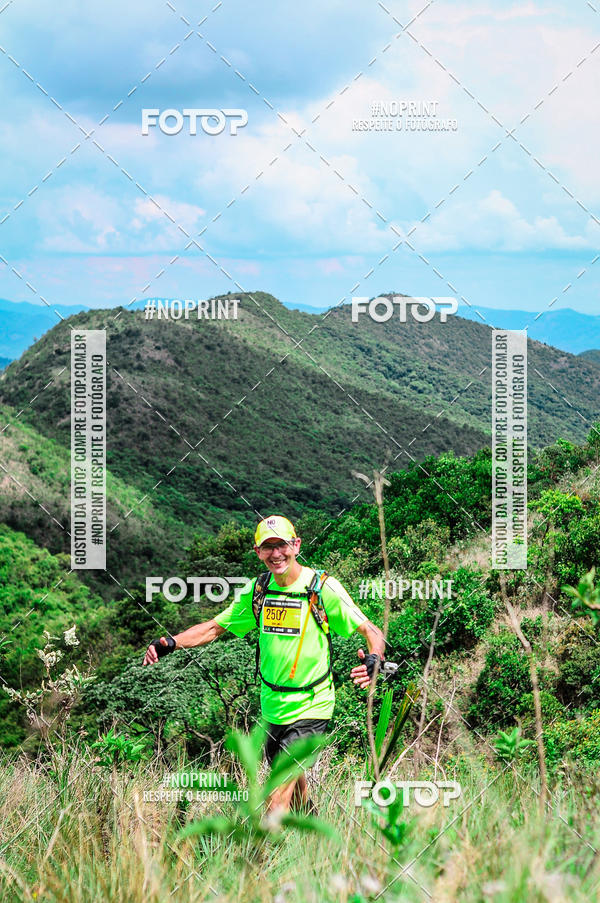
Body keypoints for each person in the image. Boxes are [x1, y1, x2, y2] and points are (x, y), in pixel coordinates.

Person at [143, 515, 386, 815]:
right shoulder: (258, 592)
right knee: (295, 788)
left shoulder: (322, 589)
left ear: (296, 545)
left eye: (282, 545)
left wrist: (375, 659)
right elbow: (214, 628)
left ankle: (261, 860)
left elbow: (371, 630)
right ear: (257, 552)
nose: (276, 554)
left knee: (275, 793)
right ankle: (314, 841)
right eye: (268, 547)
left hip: (313, 705)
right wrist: (170, 642)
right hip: (272, 707)